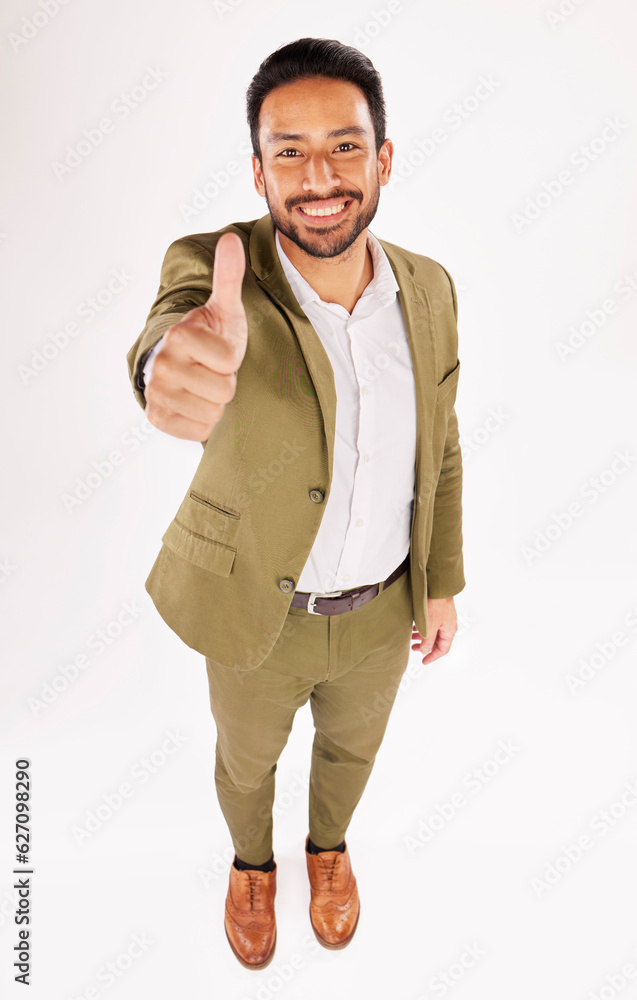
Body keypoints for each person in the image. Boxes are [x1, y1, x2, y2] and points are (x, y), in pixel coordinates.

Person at [126, 36, 465, 970]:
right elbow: (173, 339)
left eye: (345, 145)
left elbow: (440, 443)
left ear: (384, 156)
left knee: (350, 757)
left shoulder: (429, 288)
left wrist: (441, 581)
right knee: (245, 764)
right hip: (257, 611)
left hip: (379, 611)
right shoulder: (212, 267)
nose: (319, 177)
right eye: (289, 150)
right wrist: (171, 369)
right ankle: (249, 868)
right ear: (258, 168)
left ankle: (326, 854)